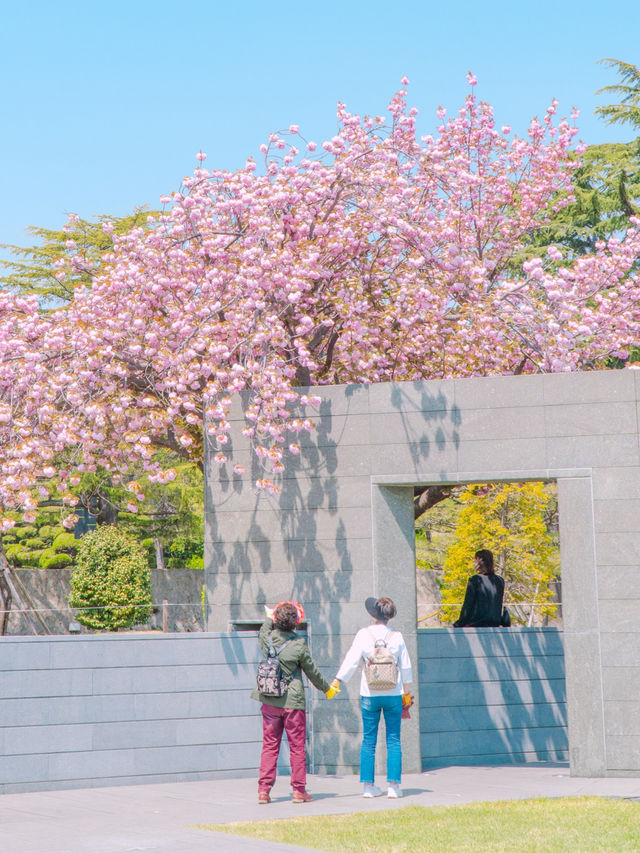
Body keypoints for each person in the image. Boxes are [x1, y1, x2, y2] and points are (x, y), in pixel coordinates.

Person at [252, 600, 337, 804]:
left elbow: (263, 631)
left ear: (276, 621)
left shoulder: (268, 640)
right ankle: (299, 791)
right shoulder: (299, 645)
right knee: (297, 746)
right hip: (293, 702)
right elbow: (312, 672)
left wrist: (268, 616)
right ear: (295, 623)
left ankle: (263, 791)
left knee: (270, 745)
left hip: (270, 700)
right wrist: (327, 688)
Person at [329, 596, 413, 799]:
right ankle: (393, 786)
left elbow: (351, 661)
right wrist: (407, 695)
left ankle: (368, 786)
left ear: (372, 615)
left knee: (368, 740)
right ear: (389, 616)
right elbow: (406, 666)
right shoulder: (397, 636)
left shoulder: (363, 635)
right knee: (393, 740)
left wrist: (337, 680)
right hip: (394, 693)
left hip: (369, 694)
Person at [453, 549, 505, 628]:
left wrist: (458, 624)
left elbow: (468, 605)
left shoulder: (475, 580)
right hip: (494, 624)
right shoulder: (500, 581)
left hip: (476, 624)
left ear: (479, 561)